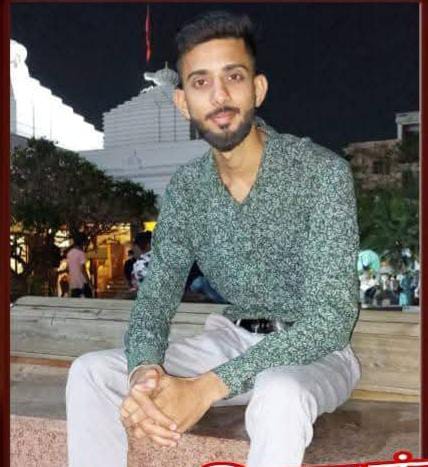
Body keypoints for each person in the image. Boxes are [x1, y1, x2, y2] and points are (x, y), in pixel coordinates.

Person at [66, 11, 361, 467]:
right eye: (201, 82)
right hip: (230, 339)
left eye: (233, 77)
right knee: (91, 372)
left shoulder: (320, 173)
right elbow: (155, 299)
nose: (219, 96)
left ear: (257, 89)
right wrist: (145, 371)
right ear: (183, 102)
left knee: (279, 392)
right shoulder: (187, 190)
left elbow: (330, 320)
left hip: (315, 352)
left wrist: (205, 388)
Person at [66, 233, 91, 298]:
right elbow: (83, 269)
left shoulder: (69, 253)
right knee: (88, 298)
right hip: (82, 282)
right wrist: (89, 281)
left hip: (73, 283)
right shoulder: (81, 253)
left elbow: (68, 268)